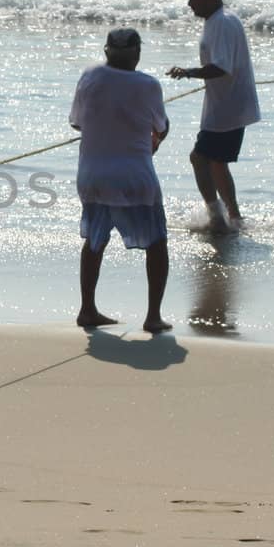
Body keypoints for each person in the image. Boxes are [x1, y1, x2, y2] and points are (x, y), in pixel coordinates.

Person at [70, 28, 171, 333]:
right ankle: (153, 316)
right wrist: (155, 138)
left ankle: (88, 309)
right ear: (137, 54)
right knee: (157, 243)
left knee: (95, 242)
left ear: (106, 52)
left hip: (93, 176)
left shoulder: (89, 77)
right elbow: (161, 127)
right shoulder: (148, 85)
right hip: (133, 177)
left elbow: (77, 122)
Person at [166, 0, 260, 233]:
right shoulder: (219, 20)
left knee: (199, 158)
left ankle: (216, 217)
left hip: (227, 108)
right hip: (226, 105)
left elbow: (221, 67)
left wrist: (189, 72)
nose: (189, 4)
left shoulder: (222, 23)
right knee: (217, 163)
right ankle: (234, 216)